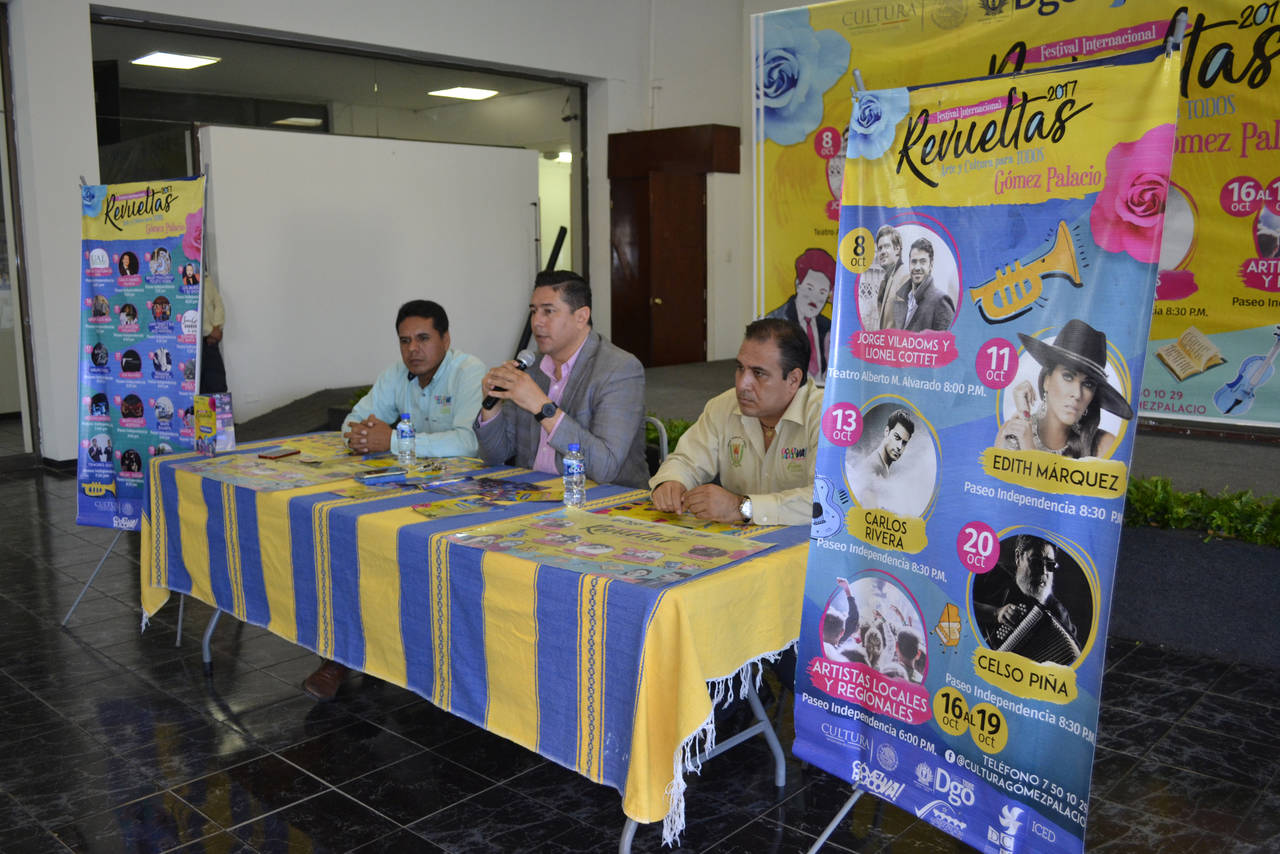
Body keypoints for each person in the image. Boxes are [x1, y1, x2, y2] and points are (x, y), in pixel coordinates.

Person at [304, 299, 484, 702]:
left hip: (466, 499)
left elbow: (469, 442)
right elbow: (351, 423)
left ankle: (414, 660)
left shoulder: (468, 372)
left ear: (446, 339)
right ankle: (341, 656)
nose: (413, 349)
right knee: (350, 541)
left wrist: (395, 441)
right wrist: (363, 436)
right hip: (406, 495)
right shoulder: (395, 376)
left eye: (423, 338)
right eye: (405, 341)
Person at [475, 270, 648, 489]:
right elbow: (495, 456)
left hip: (602, 499)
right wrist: (491, 407)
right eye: (534, 311)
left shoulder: (618, 369)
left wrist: (542, 407)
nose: (537, 322)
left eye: (548, 311)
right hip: (533, 494)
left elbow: (606, 467)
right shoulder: (531, 368)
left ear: (581, 317)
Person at [649, 317, 821, 526]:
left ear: (793, 379)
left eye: (758, 373)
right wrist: (672, 482)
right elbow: (686, 461)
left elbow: (826, 500)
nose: (742, 384)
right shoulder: (723, 406)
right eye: (740, 368)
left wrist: (742, 507)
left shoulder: (829, 418)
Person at [995, 318, 1132, 459]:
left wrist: (1029, 450)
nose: (1077, 394)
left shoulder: (1103, 445)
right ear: (1047, 380)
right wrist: (1023, 421)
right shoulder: (1011, 433)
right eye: (1068, 377)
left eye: (1088, 384)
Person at [973, 534, 1080, 661]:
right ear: (1018, 557)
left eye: (1050, 565)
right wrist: (995, 613)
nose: (1043, 572)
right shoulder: (993, 575)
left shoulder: (1058, 613)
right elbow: (958, 602)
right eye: (1035, 562)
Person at [765, 248, 834, 379]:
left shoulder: (828, 328)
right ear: (798, 285)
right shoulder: (774, 322)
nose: (814, 297)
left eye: (822, 292)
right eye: (810, 288)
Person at [847, 408, 915, 514]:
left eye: (904, 443)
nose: (899, 447)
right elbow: (870, 513)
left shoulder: (882, 467)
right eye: (897, 437)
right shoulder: (873, 468)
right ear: (887, 431)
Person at [885, 237, 955, 332]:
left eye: (922, 262)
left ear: (931, 265)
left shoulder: (941, 301)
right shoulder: (902, 299)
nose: (917, 267)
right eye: (914, 262)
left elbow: (948, 340)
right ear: (909, 264)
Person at [873, 225, 910, 331]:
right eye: (880, 248)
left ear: (897, 249)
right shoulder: (886, 280)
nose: (882, 252)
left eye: (886, 246)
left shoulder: (906, 277)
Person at [200, 273, 227, 394]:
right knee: (200, 391)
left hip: (210, 343)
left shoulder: (206, 278)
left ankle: (218, 409)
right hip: (191, 345)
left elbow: (218, 304)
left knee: (218, 388)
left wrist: (217, 327)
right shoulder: (181, 280)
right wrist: (211, 331)